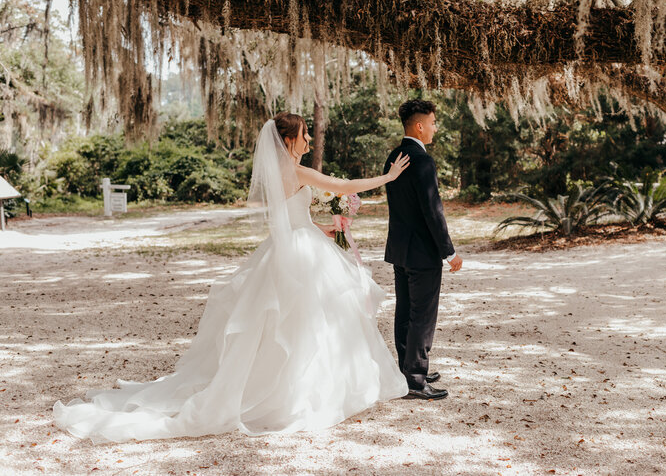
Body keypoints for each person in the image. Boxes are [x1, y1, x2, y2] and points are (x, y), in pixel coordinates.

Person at [53, 113, 411, 443]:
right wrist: (389, 177)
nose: (309, 141)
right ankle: (302, 392)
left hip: (293, 245)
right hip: (303, 253)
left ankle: (291, 385)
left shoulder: (280, 173)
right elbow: (344, 185)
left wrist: (323, 229)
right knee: (310, 321)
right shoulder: (296, 171)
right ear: (288, 141)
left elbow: (289, 217)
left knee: (288, 324)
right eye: (304, 135)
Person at [384, 99, 463, 401]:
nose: (435, 127)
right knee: (422, 316)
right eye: (432, 122)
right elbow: (433, 211)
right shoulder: (423, 160)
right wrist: (449, 252)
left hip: (400, 250)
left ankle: (409, 369)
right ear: (419, 125)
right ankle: (416, 380)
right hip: (422, 253)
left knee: (405, 311)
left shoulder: (394, 156)